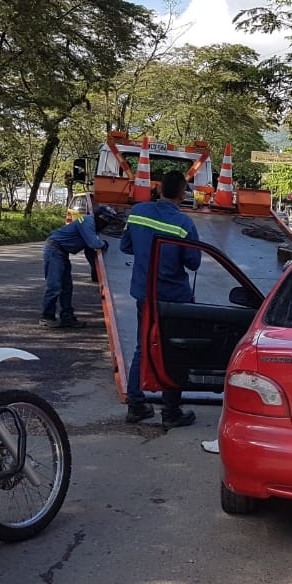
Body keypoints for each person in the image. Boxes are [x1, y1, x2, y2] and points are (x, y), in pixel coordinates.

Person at [121, 170, 200, 430]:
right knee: (173, 350)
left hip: (144, 293)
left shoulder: (137, 213)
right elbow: (193, 262)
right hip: (174, 297)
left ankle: (136, 405)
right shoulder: (184, 223)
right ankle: (171, 411)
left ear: (159, 189)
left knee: (142, 345)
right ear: (182, 193)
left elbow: (125, 246)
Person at [42, 205, 111, 328]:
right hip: (54, 249)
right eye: (107, 220)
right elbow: (93, 243)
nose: (107, 223)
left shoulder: (92, 226)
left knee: (67, 287)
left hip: (62, 252)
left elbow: (89, 251)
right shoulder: (88, 222)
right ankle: (47, 317)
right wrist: (104, 244)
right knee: (54, 286)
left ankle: (67, 317)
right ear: (101, 218)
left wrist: (97, 272)